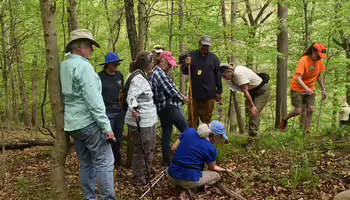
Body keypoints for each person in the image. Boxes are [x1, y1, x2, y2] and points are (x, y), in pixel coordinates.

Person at [60, 29, 116, 199]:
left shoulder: (64, 65)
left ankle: (90, 198)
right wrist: (106, 127)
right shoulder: (84, 67)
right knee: (105, 162)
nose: (92, 49)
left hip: (73, 124)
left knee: (85, 163)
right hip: (89, 123)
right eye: (89, 46)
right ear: (79, 47)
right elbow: (94, 101)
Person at [168, 121, 232, 190]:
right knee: (216, 176)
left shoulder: (189, 131)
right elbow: (213, 168)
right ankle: (198, 188)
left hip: (171, 176)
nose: (220, 139)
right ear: (216, 136)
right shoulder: (211, 148)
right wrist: (225, 170)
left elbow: (173, 148)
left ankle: (183, 184)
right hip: (189, 180)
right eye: (221, 137)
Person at [125, 51, 158, 185]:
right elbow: (131, 97)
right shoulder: (138, 79)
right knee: (142, 150)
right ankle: (138, 178)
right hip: (141, 122)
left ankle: (143, 173)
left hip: (148, 121)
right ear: (149, 65)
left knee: (148, 148)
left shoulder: (142, 75)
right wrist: (135, 110)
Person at [150, 51, 189, 166]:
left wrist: (181, 96)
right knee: (187, 132)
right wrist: (182, 98)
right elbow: (171, 90)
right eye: (169, 64)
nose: (170, 67)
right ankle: (188, 158)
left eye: (171, 65)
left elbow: (171, 87)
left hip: (164, 108)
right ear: (162, 61)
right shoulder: (158, 73)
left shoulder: (160, 72)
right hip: (168, 107)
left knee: (167, 133)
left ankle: (166, 160)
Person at [280, 43, 327, 134]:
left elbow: (319, 76)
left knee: (310, 109)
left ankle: (307, 131)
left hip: (311, 88)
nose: (319, 58)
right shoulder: (304, 60)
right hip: (297, 88)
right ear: (313, 52)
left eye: (321, 57)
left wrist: (323, 90)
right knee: (298, 110)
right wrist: (306, 88)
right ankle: (284, 119)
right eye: (318, 56)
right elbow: (298, 78)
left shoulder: (319, 62)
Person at [181, 35, 223, 128]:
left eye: (207, 46)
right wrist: (186, 64)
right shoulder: (191, 55)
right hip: (194, 94)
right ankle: (192, 139)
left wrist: (219, 91)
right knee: (192, 118)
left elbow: (218, 75)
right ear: (199, 44)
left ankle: (204, 140)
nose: (205, 48)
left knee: (207, 119)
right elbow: (184, 71)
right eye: (203, 45)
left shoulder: (214, 58)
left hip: (209, 95)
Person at [220, 64, 271, 138]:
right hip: (252, 92)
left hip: (262, 92)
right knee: (251, 114)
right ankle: (253, 135)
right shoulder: (231, 78)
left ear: (229, 71)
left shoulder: (238, 73)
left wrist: (253, 106)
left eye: (225, 76)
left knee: (254, 113)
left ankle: (252, 140)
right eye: (223, 77)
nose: (225, 78)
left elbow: (245, 89)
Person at [98, 52, 125, 169]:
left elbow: (123, 92)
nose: (116, 66)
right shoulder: (100, 76)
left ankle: (117, 161)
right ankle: (107, 162)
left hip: (119, 110)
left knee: (118, 137)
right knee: (108, 137)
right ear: (108, 65)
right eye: (114, 64)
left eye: (118, 64)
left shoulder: (119, 75)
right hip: (107, 111)